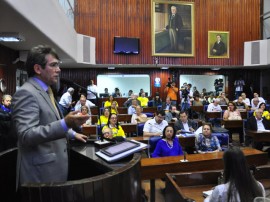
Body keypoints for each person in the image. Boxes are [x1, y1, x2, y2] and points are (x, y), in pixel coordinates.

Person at [12, 45, 89, 185]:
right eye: (53, 65)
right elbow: (26, 135)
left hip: (52, 170)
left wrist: (72, 133)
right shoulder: (26, 93)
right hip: (39, 175)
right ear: (37, 69)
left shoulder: (47, 91)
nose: (58, 70)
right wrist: (65, 124)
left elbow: (49, 120)